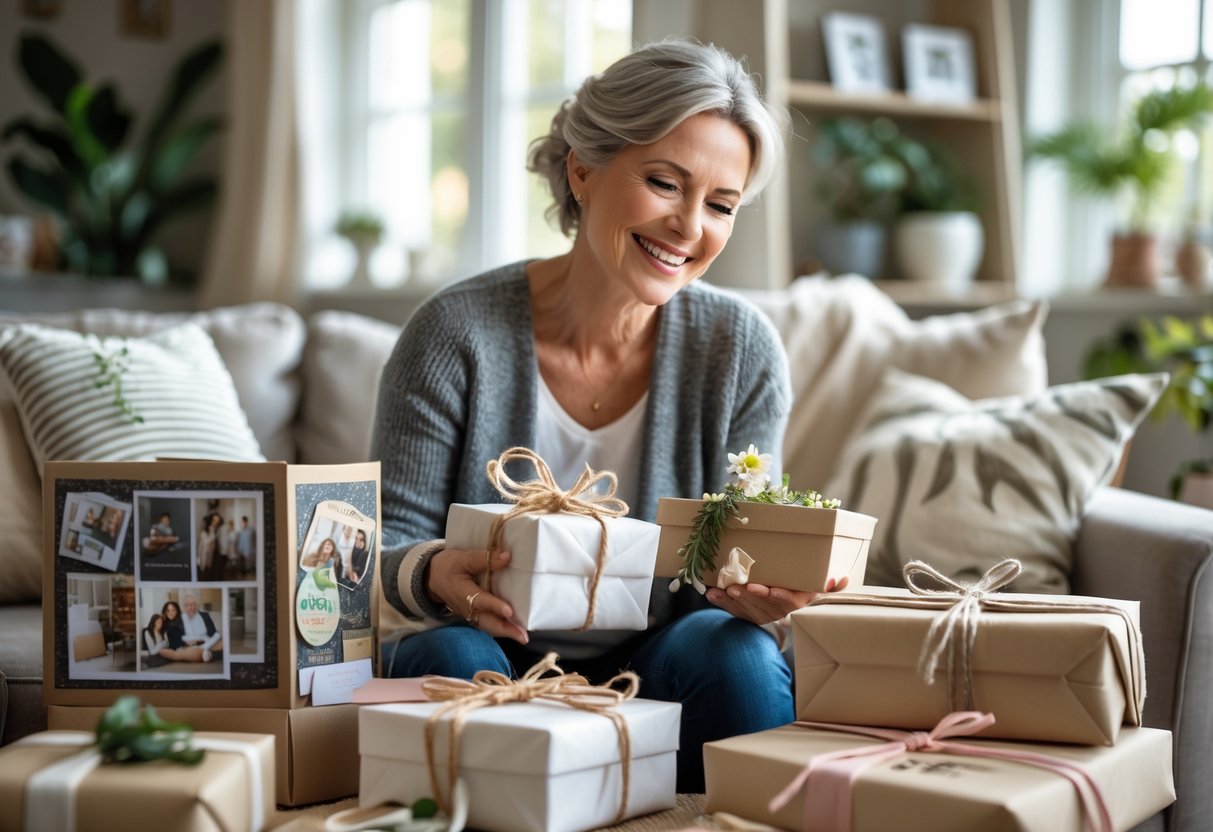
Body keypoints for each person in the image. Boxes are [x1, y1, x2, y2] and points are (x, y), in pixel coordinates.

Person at [371, 39, 841, 793]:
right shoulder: (454, 335)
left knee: (739, 654)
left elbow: (742, 548)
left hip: (659, 665)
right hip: (488, 650)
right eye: (664, 183)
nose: (689, 227)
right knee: (448, 661)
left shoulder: (739, 348)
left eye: (720, 205)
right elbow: (380, 546)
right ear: (581, 169)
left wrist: (763, 594)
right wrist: (434, 573)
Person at [178, 593, 223, 662]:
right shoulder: (180, 618)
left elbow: (213, 632)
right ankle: (208, 654)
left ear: (196, 605)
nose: (190, 607)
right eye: (187, 605)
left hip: (209, 642)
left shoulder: (205, 615)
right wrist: (197, 639)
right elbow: (181, 637)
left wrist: (208, 641)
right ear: (184, 607)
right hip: (191, 646)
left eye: (192, 604)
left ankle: (206, 652)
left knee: (224, 644)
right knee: (189, 652)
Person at [197, 513, 218, 581]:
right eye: (212, 521)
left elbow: (212, 542)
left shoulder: (212, 530)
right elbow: (207, 543)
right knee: (205, 570)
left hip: (210, 553)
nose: (214, 522)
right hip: (205, 553)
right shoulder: (204, 532)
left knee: (209, 569)